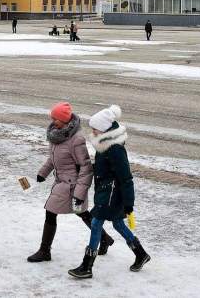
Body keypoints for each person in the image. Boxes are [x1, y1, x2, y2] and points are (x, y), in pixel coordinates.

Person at [69, 105, 150, 279]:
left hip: (112, 195)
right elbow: (103, 169)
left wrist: (129, 203)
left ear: (104, 128)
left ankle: (87, 266)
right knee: (118, 224)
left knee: (96, 223)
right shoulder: (105, 144)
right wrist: (85, 167)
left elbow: (126, 178)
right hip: (107, 192)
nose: (93, 132)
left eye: (95, 129)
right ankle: (141, 254)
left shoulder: (115, 149)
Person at [27, 102, 115, 263]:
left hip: (71, 186)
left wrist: (80, 193)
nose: (54, 122)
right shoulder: (56, 135)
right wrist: (43, 173)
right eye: (52, 118)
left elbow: (86, 167)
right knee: (81, 212)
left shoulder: (76, 140)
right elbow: (53, 158)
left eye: (57, 119)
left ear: (65, 120)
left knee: (50, 211)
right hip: (61, 182)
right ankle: (105, 238)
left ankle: (44, 250)